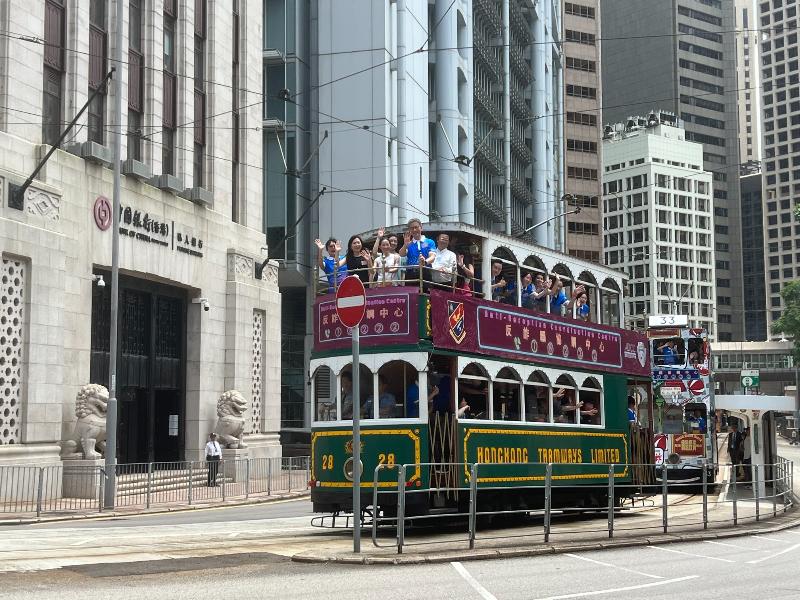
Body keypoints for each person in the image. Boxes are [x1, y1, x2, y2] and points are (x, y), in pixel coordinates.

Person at [398, 218, 436, 287]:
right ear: (410, 230)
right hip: (411, 273)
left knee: (426, 296)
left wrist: (425, 261)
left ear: (421, 227)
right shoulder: (409, 243)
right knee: (412, 296)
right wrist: (405, 245)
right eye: (412, 228)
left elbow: (432, 256)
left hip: (425, 272)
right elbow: (401, 254)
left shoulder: (430, 242)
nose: (414, 230)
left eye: (416, 227)